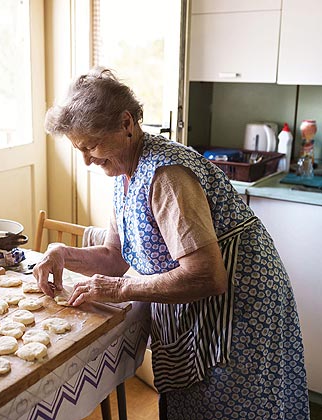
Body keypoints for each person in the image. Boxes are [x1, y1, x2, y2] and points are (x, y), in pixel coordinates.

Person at [34, 67, 310, 419]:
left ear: (126, 123)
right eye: (79, 149)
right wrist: (61, 253)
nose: (87, 159)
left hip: (239, 308)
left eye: (91, 146)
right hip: (201, 307)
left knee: (233, 406)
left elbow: (207, 275)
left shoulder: (167, 175)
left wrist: (121, 289)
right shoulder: (123, 172)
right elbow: (114, 256)